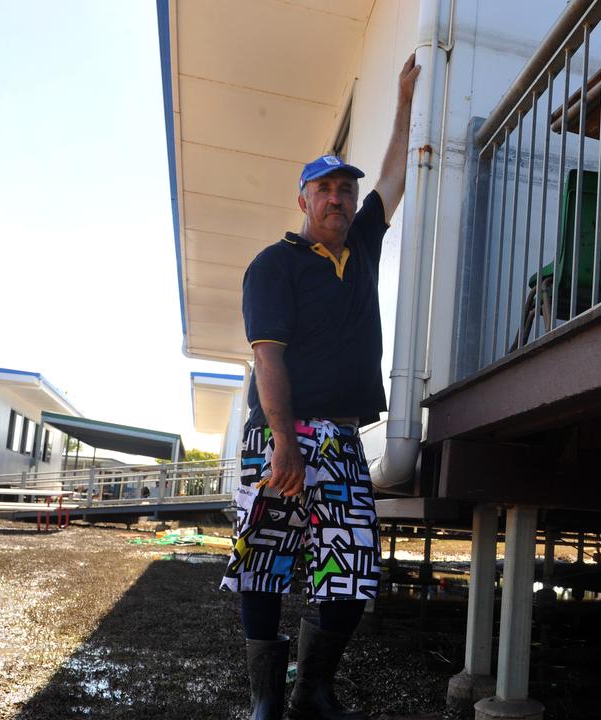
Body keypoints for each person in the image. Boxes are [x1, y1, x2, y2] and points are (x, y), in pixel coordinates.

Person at [221, 54, 420, 720]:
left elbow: (393, 176)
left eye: (344, 189)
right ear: (303, 199)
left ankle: (313, 689)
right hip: (279, 436)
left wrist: (404, 100)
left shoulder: (362, 246)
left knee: (350, 564)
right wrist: (283, 444)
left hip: (339, 437)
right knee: (266, 566)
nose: (337, 199)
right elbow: (267, 358)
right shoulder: (274, 265)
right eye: (325, 190)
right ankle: (265, 700)